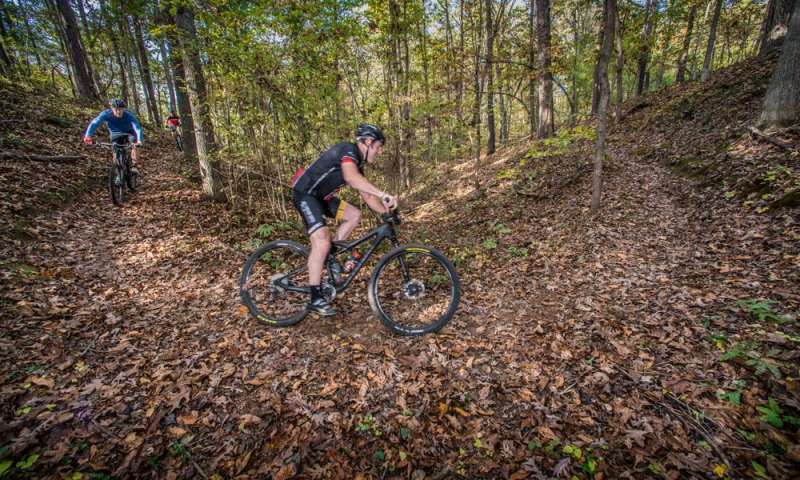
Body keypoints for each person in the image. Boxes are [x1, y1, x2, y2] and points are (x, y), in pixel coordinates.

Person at [291, 123, 397, 316]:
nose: (379, 151)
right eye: (378, 146)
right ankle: (315, 298)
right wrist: (383, 194)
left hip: (322, 198)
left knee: (354, 215)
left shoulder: (358, 165)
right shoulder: (348, 150)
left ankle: (331, 257)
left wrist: (386, 214)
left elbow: (367, 196)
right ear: (366, 142)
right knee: (322, 240)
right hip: (305, 194)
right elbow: (350, 177)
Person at [83, 99, 143, 172]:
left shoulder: (129, 115)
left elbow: (137, 127)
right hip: (115, 134)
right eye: (116, 109)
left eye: (121, 109)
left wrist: (139, 140)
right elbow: (95, 123)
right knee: (115, 150)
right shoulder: (106, 114)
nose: (118, 111)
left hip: (129, 133)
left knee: (135, 145)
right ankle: (118, 173)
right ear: (112, 109)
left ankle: (134, 166)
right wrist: (88, 136)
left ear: (124, 109)